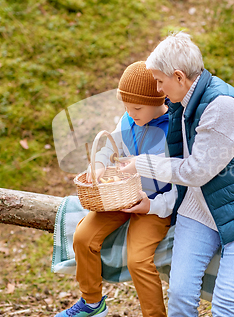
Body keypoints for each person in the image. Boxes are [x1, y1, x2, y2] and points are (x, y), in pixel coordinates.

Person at [120, 33, 234, 317]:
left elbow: (196, 171)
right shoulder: (182, 102)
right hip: (200, 207)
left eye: (160, 81)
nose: (158, 89)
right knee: (181, 295)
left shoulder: (221, 107)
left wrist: (142, 164)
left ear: (179, 77)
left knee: (226, 304)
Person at [56, 61, 176, 317]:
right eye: (126, 107)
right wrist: (99, 164)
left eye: (137, 107)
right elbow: (110, 145)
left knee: (138, 260)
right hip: (120, 196)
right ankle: (92, 303)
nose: (130, 113)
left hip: (153, 205)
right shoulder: (128, 120)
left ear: (160, 98)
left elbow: (180, 182)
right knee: (83, 237)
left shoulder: (173, 131)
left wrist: (152, 206)